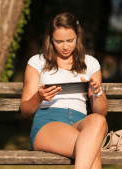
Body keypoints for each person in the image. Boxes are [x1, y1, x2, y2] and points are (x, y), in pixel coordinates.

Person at [20, 12, 108, 169]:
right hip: (48, 123)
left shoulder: (91, 63)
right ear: (50, 39)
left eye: (70, 40)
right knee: (91, 151)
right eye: (59, 41)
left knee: (99, 121)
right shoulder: (37, 62)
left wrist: (97, 92)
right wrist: (38, 97)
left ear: (78, 37)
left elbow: (100, 112)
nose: (65, 46)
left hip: (80, 122)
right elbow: (25, 111)